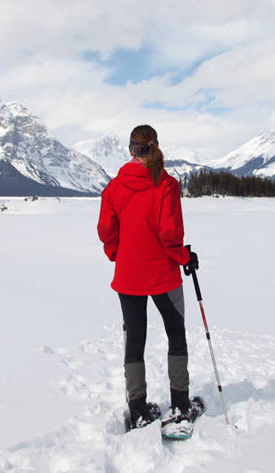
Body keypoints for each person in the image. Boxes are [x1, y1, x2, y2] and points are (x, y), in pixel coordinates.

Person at [97, 124, 201, 431]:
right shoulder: (166, 185)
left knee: (135, 339)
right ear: (154, 148)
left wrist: (118, 253)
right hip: (162, 276)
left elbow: (106, 230)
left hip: (128, 277)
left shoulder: (114, 187)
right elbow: (170, 234)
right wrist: (185, 257)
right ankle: (181, 404)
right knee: (176, 333)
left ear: (131, 150)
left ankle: (139, 409)